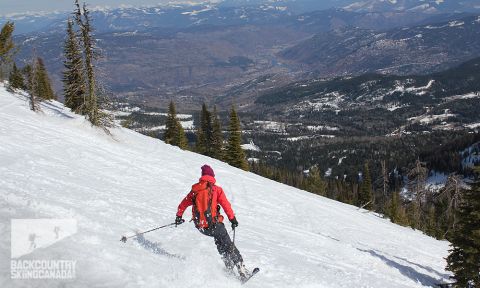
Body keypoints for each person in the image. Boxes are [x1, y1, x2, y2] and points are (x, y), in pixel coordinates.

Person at [175, 164, 249, 278]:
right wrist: (232, 219)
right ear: (212, 176)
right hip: (214, 225)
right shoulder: (216, 189)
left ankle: (228, 266)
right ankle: (241, 269)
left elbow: (183, 204)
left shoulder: (194, 190)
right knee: (227, 243)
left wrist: (178, 217)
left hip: (201, 227)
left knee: (219, 241)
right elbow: (226, 205)